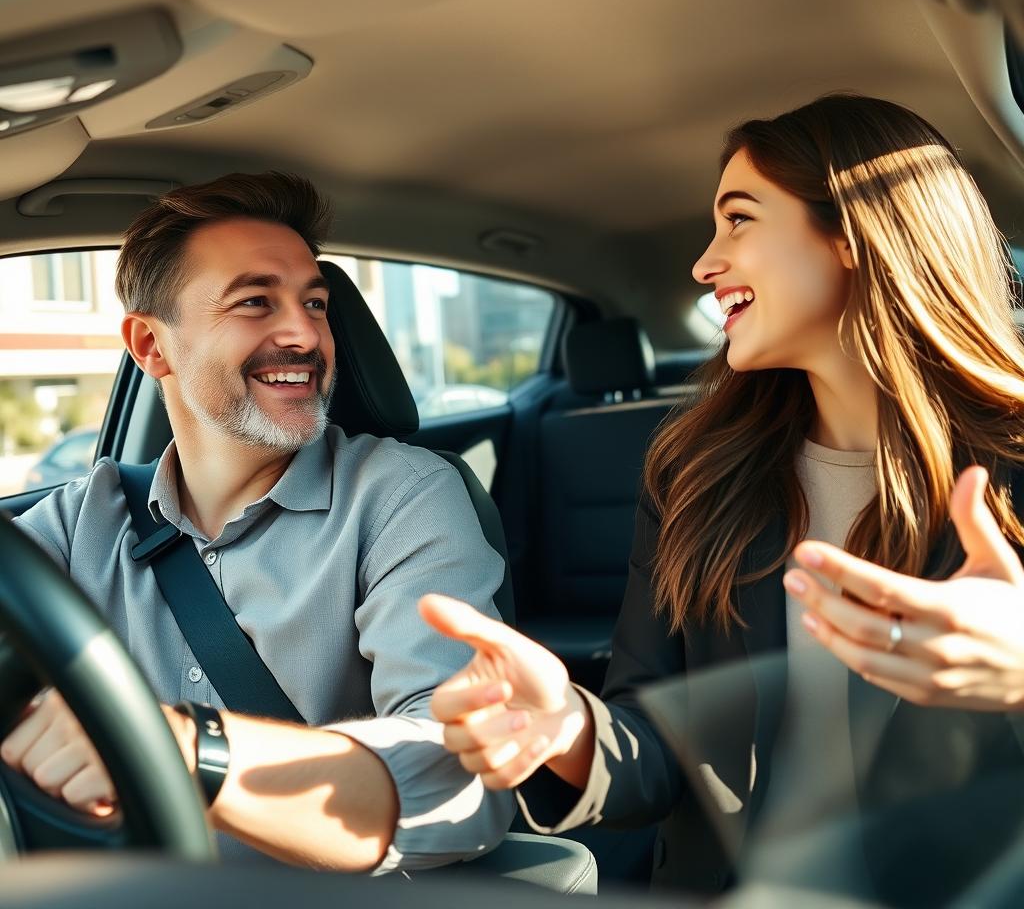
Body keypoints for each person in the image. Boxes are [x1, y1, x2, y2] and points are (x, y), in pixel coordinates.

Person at [419, 94, 1024, 903]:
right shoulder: (695, 474)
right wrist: (568, 730)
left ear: (853, 233)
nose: (705, 265)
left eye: (738, 220)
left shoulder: (1011, 463)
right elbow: (658, 744)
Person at [2, 172, 513, 873]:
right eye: (254, 302)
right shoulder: (77, 521)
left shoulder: (404, 497)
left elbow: (458, 785)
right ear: (150, 346)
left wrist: (183, 749)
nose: (303, 333)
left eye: (315, 303)